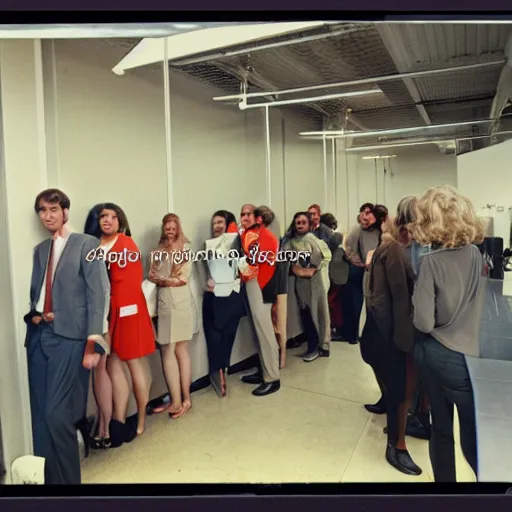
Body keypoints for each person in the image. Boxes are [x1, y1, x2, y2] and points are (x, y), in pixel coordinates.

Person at [24, 189, 110, 484]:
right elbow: (39, 295)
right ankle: (49, 486)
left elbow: (99, 294)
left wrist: (93, 343)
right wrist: (35, 316)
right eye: (42, 211)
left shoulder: (88, 244)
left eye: (53, 209)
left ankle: (71, 487)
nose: (47, 216)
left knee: (56, 416)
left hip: (70, 339)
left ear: (65, 212)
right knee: (39, 417)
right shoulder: (40, 250)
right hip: (38, 337)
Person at [412, 186, 485, 482]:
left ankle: (446, 491)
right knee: (474, 432)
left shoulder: (430, 263)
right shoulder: (476, 253)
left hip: (439, 353)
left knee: (441, 429)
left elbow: (424, 323)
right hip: (470, 353)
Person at [85, 203, 156, 439]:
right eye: (104, 216)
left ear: (120, 221)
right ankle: (118, 419)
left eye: (114, 217)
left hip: (127, 311)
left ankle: (142, 418)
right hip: (106, 315)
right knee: (112, 365)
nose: (108, 221)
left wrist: (119, 310)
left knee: (133, 364)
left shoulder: (126, 244)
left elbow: (131, 283)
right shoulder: (92, 245)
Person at [360, 203, 422, 476]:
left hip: (382, 329)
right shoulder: (395, 250)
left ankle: (398, 442)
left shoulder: (386, 248)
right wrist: (404, 341)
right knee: (400, 392)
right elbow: (398, 298)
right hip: (392, 332)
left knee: (397, 391)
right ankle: (397, 448)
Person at [149, 213, 198, 418]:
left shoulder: (185, 248)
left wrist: (163, 279)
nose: (170, 230)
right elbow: (151, 275)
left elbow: (182, 279)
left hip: (181, 305)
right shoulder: (158, 251)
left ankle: (184, 399)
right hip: (165, 305)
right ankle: (176, 399)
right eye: (166, 227)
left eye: (173, 227)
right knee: (166, 349)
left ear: (178, 228)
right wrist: (166, 278)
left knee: (179, 349)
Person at [235, 204, 281, 396]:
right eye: (242, 214)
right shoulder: (248, 234)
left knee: (265, 332)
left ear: (258, 217)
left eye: (248, 214)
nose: (244, 217)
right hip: (252, 283)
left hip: (260, 285)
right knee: (257, 331)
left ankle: (272, 378)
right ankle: (264, 370)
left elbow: (261, 264)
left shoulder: (265, 236)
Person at [202, 209, 246, 397]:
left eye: (220, 222)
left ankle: (223, 370)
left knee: (228, 336)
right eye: (214, 223)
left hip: (233, 297)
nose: (216, 226)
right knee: (215, 338)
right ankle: (218, 372)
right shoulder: (208, 246)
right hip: (215, 298)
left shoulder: (239, 244)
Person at [283, 211, 331, 362]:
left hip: (314, 282)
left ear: (309, 225)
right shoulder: (290, 241)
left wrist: (314, 269)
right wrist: (294, 269)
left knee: (319, 313)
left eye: (304, 222)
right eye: (298, 222)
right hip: (300, 283)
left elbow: (326, 255)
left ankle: (321, 346)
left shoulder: (313, 239)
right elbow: (285, 258)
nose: (301, 225)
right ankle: (313, 345)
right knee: (306, 315)